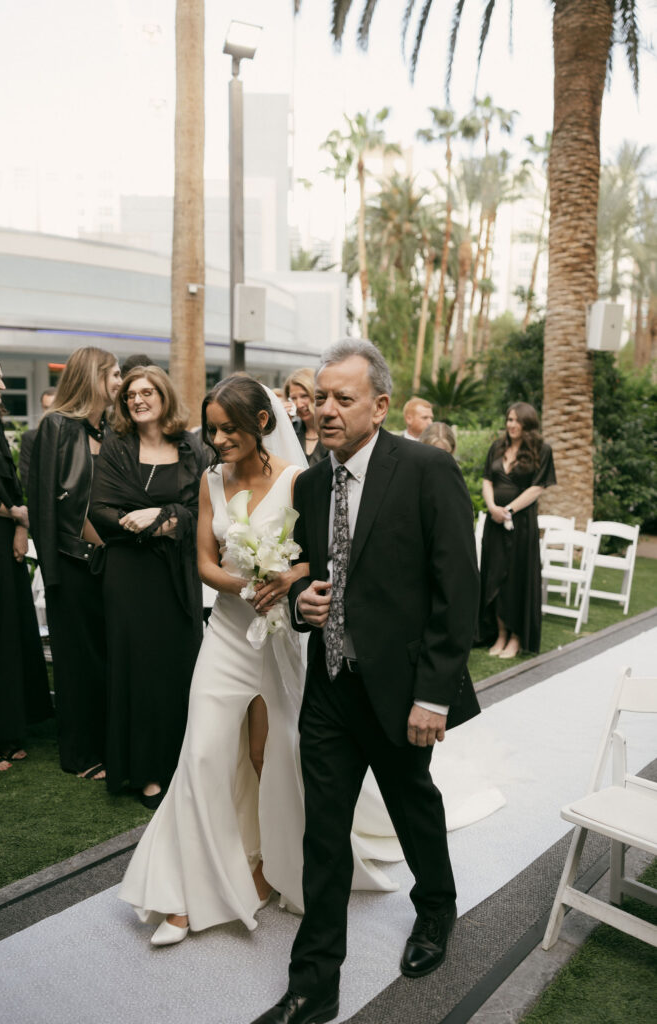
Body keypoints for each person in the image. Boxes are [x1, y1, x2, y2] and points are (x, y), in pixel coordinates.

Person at [118, 375, 397, 946]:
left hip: (279, 642)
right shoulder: (209, 482)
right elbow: (204, 563)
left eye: (228, 429)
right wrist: (248, 587)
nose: (217, 439)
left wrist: (287, 578)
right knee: (200, 751)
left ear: (261, 424)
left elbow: (317, 561)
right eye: (212, 429)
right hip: (226, 633)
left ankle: (270, 869)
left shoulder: (300, 482)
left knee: (272, 753)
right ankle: (179, 896)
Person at [252, 340, 480, 1024]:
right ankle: (311, 987)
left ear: (378, 406)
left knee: (413, 805)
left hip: (402, 691)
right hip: (329, 689)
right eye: (319, 396)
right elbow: (306, 574)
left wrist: (432, 694)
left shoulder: (426, 470)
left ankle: (435, 909)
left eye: (340, 399)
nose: (323, 409)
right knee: (323, 836)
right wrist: (300, 605)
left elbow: (456, 590)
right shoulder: (313, 482)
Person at [90, 366, 205, 808]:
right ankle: (145, 773)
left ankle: (179, 765)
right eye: (131, 394)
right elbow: (100, 509)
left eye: (147, 392)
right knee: (135, 667)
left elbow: (200, 507)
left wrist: (160, 518)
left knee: (177, 664)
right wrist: (143, 526)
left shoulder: (190, 447)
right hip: (128, 573)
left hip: (175, 573)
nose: (138, 399)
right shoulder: (118, 448)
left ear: (164, 396)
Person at [28, 347, 122, 780]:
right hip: (71, 562)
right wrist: (52, 571)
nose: (121, 382)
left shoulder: (111, 429)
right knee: (76, 663)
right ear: (94, 376)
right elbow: (44, 501)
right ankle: (81, 754)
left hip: (111, 562)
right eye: (115, 374)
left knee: (107, 658)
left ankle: (110, 744)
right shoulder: (56, 427)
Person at [0, 352, 51, 773]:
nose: (3, 385)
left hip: (3, 538)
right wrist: (16, 514)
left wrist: (20, 526)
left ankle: (7, 730)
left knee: (6, 633)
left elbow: (10, 482)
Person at [478, 402, 556, 659]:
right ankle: (499, 634)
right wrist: (492, 508)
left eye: (516, 420)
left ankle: (515, 637)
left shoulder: (542, 451)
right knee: (494, 577)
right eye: (509, 419)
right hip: (495, 523)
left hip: (520, 526)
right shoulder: (498, 447)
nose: (511, 425)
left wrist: (508, 510)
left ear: (527, 424)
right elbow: (488, 479)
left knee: (515, 580)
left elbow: (537, 488)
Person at [284, 368, 328, 466]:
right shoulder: (292, 430)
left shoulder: (334, 430)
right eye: (293, 398)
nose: (299, 404)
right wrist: (284, 427)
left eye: (304, 396)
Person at [19, 387, 57, 492]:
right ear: (41, 407)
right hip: (41, 499)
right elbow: (26, 475)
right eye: (46, 408)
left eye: (54, 407)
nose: (49, 412)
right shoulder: (30, 438)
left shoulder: (74, 435)